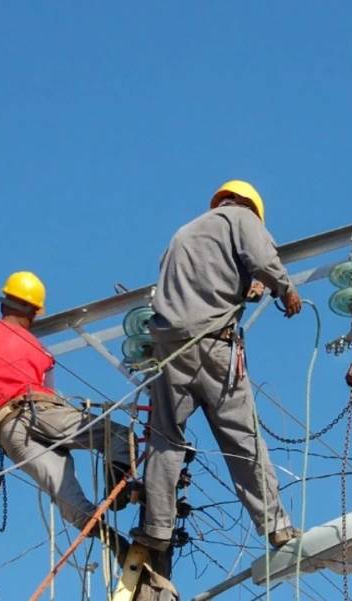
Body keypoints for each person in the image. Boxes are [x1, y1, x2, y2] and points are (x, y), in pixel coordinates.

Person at [132, 180, 303, 551]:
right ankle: (275, 525)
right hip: (213, 346)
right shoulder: (241, 218)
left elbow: (198, 284)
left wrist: (244, 288)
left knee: (164, 439)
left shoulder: (184, 233)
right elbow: (261, 258)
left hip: (169, 349)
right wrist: (284, 288)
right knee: (242, 438)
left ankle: (157, 530)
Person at [0, 271, 133, 528]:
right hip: (41, 411)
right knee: (118, 435)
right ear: (34, 313)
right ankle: (119, 489)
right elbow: (49, 397)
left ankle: (113, 543)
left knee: (65, 495)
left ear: (2, 304)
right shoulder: (43, 352)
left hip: (9, 431)